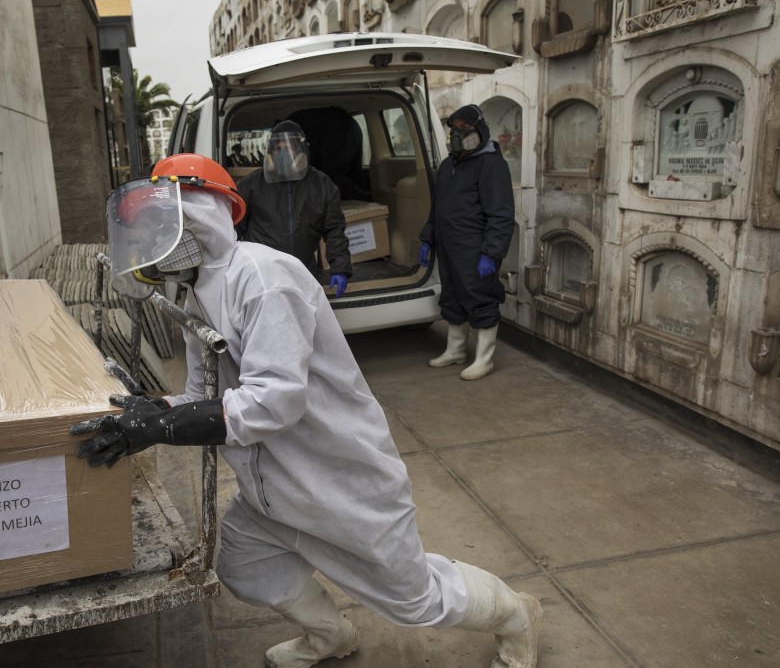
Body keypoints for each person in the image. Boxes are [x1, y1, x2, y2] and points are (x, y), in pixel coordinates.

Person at [72, 153, 542, 668]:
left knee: (415, 600)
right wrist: (151, 409)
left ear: (204, 217)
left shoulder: (265, 279)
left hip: (337, 479)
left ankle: (518, 615)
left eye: (166, 223)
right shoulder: (195, 295)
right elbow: (204, 393)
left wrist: (160, 427)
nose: (155, 241)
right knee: (246, 566)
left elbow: (274, 403)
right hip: (271, 486)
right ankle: (330, 636)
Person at [419, 104, 515, 381]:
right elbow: (437, 207)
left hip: (474, 247)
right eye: (454, 129)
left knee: (479, 297)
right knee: (452, 296)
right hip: (449, 245)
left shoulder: (492, 165)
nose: (458, 134)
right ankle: (456, 351)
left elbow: (501, 214)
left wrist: (491, 253)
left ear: (479, 130)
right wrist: (427, 238)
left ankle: (484, 360)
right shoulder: (450, 165)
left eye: (464, 129)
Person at [236, 120, 352, 298]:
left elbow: (335, 230)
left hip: (304, 272)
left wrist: (340, 268)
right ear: (270, 152)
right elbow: (233, 229)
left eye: (288, 147)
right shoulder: (251, 185)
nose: (281, 153)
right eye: (277, 148)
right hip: (261, 275)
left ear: (301, 150)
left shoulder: (321, 185)